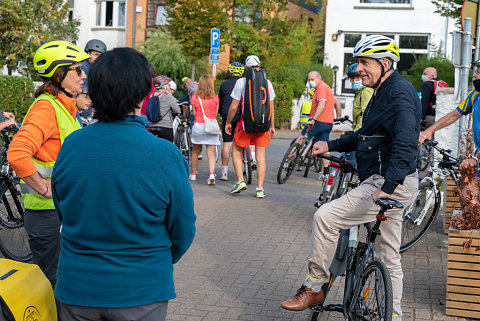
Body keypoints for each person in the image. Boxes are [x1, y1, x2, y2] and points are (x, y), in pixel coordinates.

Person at [51, 47, 196, 321]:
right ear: (144, 93)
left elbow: (64, 210)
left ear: (93, 92)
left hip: (78, 287)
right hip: (142, 289)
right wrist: (157, 261)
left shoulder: (71, 145)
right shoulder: (165, 154)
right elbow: (183, 226)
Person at [281, 35, 420, 321]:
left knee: (325, 217)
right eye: (357, 62)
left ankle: (313, 286)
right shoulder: (382, 91)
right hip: (392, 180)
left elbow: (407, 144)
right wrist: (330, 145)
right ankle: (392, 316)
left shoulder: (400, 94)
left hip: (387, 182)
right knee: (388, 255)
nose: (359, 69)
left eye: (365, 63)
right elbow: (364, 135)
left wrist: (388, 187)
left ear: (385, 63)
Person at [7, 40, 88, 287]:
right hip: (48, 216)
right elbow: (17, 153)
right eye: (77, 69)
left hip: (63, 214)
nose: (83, 75)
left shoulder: (66, 108)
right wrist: (44, 188)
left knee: (66, 288)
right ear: (60, 73)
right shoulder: (46, 108)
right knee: (56, 290)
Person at [419, 59, 480, 204]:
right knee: (467, 196)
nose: (474, 75)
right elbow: (454, 114)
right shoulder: (475, 95)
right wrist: (429, 131)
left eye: (478, 72)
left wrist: (475, 159)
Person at [225, 55, 276, 199]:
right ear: (259, 66)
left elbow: (234, 106)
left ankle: (240, 181)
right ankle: (260, 189)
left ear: (246, 68)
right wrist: (271, 125)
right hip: (263, 125)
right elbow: (271, 106)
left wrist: (229, 122)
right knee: (261, 156)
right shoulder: (268, 82)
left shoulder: (241, 81)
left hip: (245, 124)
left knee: (236, 150)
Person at [302, 70, 339, 179]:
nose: (310, 82)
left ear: (319, 78)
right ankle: (326, 172)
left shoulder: (321, 88)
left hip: (319, 121)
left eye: (312, 79)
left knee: (301, 137)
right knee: (324, 147)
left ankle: (289, 160)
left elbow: (321, 105)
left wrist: (313, 119)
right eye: (309, 80)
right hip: (328, 122)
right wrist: (337, 117)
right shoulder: (326, 88)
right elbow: (336, 102)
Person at [189, 75, 221, 184]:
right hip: (211, 126)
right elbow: (215, 114)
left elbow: (194, 113)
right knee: (211, 152)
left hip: (198, 126)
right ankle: (212, 174)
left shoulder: (194, 98)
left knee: (195, 151)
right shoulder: (216, 98)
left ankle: (193, 175)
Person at [218, 62, 244, 181]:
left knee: (227, 144)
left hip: (227, 116)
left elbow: (221, 101)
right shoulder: (245, 84)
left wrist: (221, 114)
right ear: (242, 72)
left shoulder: (224, 85)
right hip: (241, 116)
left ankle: (224, 172)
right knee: (242, 143)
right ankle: (246, 165)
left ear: (230, 72)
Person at [346, 62, 374, 167]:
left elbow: (365, 115)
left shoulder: (366, 91)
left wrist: (356, 134)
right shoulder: (359, 93)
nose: (354, 81)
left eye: (357, 78)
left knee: (351, 164)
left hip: (361, 136)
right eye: (352, 78)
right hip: (358, 133)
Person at [147, 76, 181, 142]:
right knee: (168, 148)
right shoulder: (167, 95)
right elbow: (177, 110)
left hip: (152, 126)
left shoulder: (153, 95)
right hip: (165, 127)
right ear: (165, 85)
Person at [80, 39, 107, 121]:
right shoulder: (83, 69)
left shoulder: (93, 70)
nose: (98, 58)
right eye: (96, 54)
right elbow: (82, 94)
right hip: (83, 114)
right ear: (88, 53)